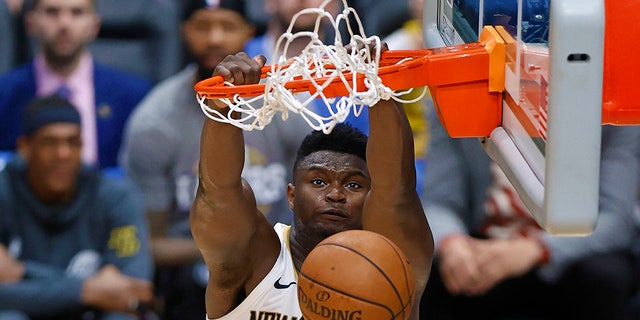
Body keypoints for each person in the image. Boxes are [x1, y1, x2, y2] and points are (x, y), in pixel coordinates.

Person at [190, 46, 434, 319]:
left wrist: (380, 86)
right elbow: (218, 192)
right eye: (319, 181)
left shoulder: (391, 265)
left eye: (353, 185)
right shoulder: (256, 257)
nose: (336, 194)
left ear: (371, 199)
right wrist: (224, 107)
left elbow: (396, 193)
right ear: (291, 196)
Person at [119, 1, 309, 319]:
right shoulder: (154, 121)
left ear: (250, 32)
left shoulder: (284, 104)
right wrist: (228, 247)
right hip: (189, 275)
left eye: (228, 26)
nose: (215, 38)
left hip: (283, 262)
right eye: (202, 26)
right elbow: (149, 243)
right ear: (183, 31)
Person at [419, 108, 640, 319]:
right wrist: (452, 243)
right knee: (435, 272)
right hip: (487, 242)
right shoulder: (454, 103)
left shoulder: (615, 111)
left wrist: (538, 248)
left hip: (570, 249)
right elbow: (440, 201)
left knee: (605, 277)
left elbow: (616, 219)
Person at [0, 95, 154, 320]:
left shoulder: (117, 198)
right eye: (49, 142)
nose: (63, 154)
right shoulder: (4, 192)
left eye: (73, 142)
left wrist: (24, 272)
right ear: (25, 147)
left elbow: (133, 287)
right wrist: (88, 289)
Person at [0, 0, 151, 169]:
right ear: (31, 24)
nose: (64, 24)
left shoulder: (133, 96)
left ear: (95, 26)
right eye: (52, 12)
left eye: (76, 13)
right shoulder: (4, 93)